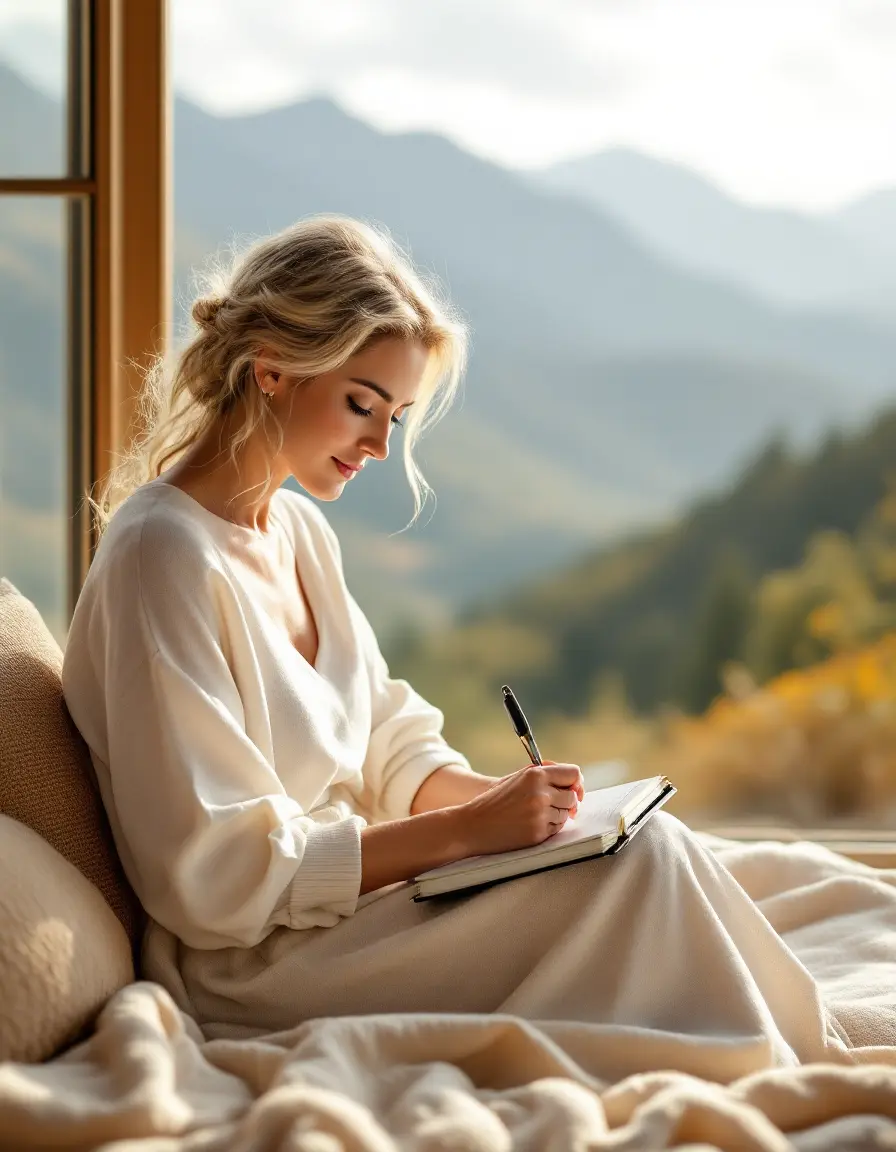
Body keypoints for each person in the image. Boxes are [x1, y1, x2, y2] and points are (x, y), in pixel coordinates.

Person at [62, 216, 844, 1069]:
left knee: (640, 841)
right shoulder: (160, 558)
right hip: (255, 966)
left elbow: (386, 737)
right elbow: (215, 878)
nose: (377, 446)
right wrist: (472, 831)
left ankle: (798, 1052)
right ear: (272, 370)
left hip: (357, 906)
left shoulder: (294, 528)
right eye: (362, 404)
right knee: (640, 870)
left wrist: (518, 810)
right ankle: (767, 1072)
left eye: (394, 417)